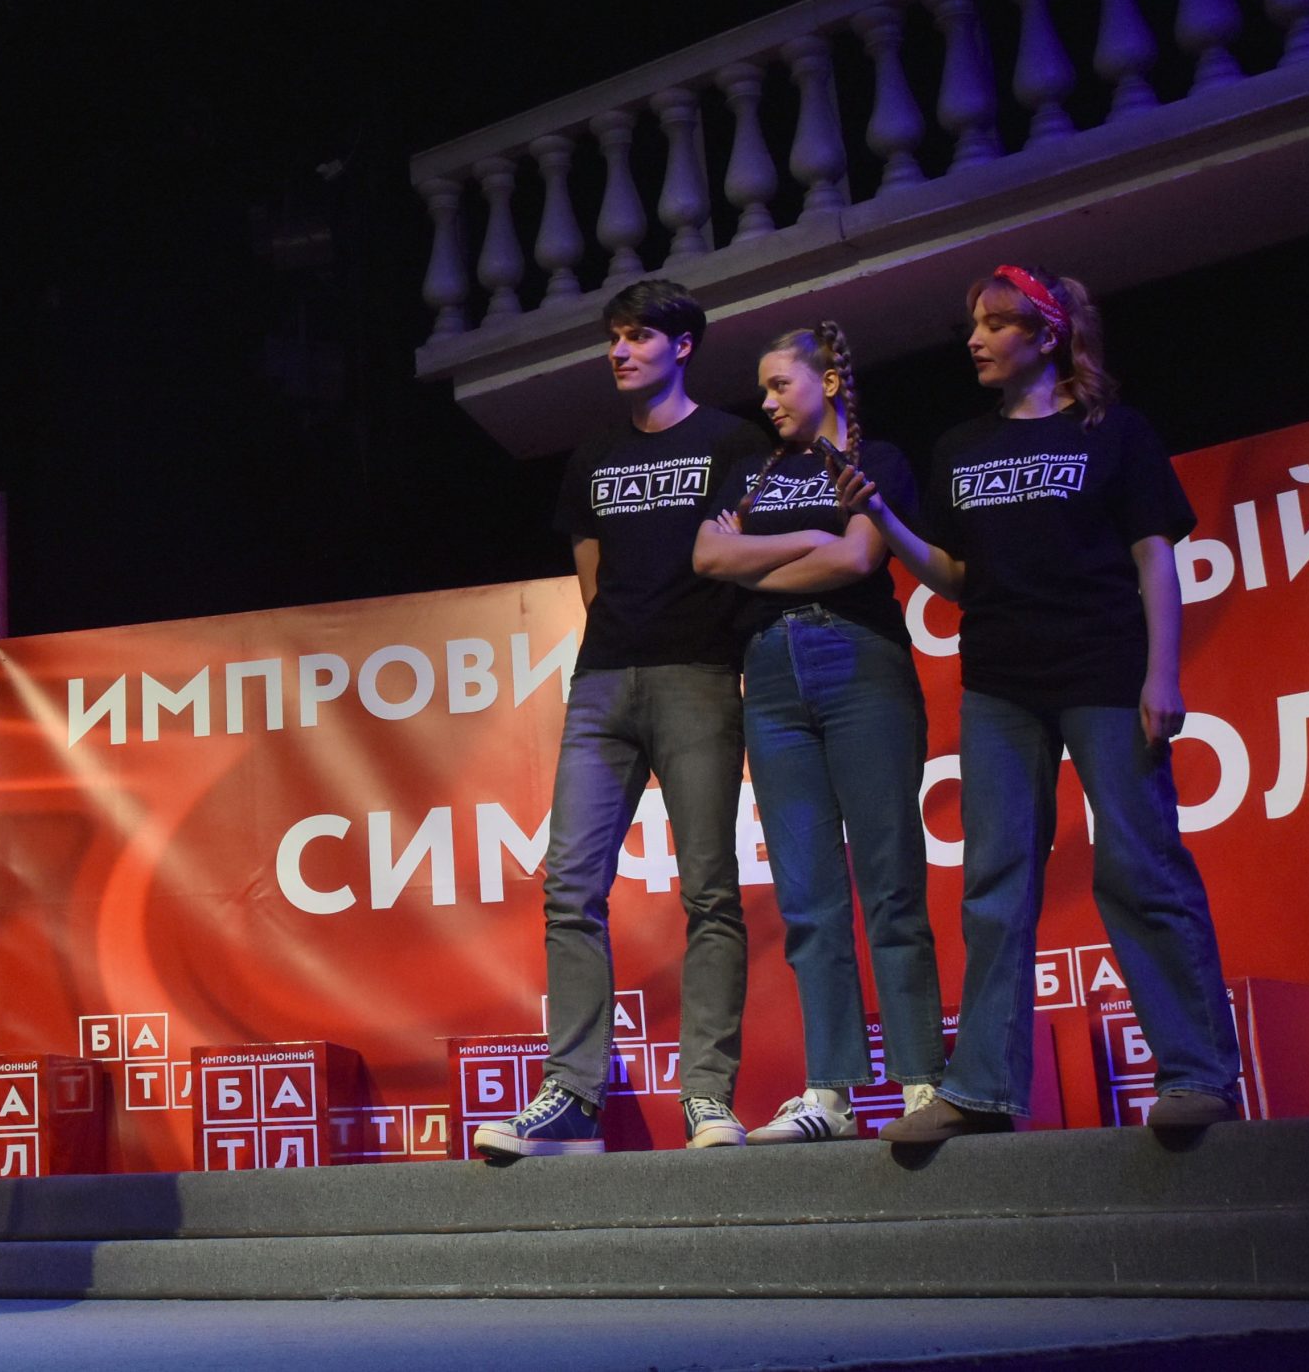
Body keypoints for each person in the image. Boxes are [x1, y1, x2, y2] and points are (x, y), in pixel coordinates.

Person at [839, 262, 1240, 1142]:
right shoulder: (960, 447)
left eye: (995, 323)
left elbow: (1154, 559)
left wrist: (1162, 675)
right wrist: (887, 522)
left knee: (1140, 867)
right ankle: (982, 1090)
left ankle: (1197, 1072)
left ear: (1048, 335)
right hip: (1000, 686)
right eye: (972, 325)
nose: (975, 340)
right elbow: (957, 577)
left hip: (1104, 670)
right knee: (995, 884)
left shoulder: (1115, 432)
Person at [476, 280, 770, 1158]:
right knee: (570, 889)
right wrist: (621, 644)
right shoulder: (594, 454)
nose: (619, 350)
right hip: (603, 683)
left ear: (683, 346)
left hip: (699, 676)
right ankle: (572, 1099)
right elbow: (592, 577)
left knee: (710, 894)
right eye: (614, 336)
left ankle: (707, 1098)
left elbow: (743, 555)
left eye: (639, 336)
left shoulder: (732, 441)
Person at [693, 322, 942, 1143]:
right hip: (768, 674)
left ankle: (920, 1082)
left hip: (858, 660)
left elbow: (859, 559)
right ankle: (830, 1094)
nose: (766, 402)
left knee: (891, 882)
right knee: (806, 895)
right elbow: (707, 557)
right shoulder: (750, 474)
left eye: (780, 385)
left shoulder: (876, 460)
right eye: (762, 389)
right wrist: (808, 537)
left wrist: (757, 564)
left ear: (828, 381)